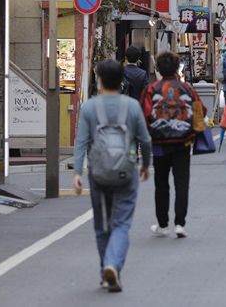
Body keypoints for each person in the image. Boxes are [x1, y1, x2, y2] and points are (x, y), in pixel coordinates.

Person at [73, 59, 151, 292]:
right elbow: (145, 140)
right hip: (126, 170)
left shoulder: (89, 108)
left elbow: (81, 142)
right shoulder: (131, 106)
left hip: (98, 172)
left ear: (99, 81)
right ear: (122, 81)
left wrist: (77, 172)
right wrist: (145, 164)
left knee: (101, 224)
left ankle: (104, 271)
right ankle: (112, 264)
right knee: (121, 223)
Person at [140, 51, 205, 239]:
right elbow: (200, 110)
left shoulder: (151, 89)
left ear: (158, 68)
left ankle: (162, 224)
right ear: (177, 68)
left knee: (161, 183)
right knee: (181, 183)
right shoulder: (187, 89)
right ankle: (180, 224)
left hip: (159, 142)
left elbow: (143, 116)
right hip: (183, 141)